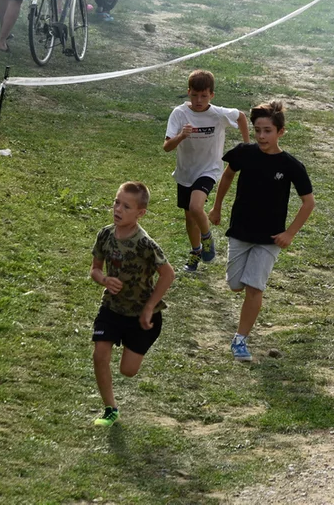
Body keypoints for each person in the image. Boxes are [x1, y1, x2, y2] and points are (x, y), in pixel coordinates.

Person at [208, 102, 315, 362]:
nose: (261, 136)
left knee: (255, 288)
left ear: (281, 132)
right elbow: (227, 175)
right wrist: (217, 206)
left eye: (267, 131)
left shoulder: (291, 166)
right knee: (235, 285)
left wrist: (290, 233)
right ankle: (242, 314)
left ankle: (240, 339)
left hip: (270, 238)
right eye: (257, 130)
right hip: (241, 231)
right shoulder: (244, 153)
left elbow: (308, 202)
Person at [89, 182, 175, 426]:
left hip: (141, 316)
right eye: (117, 202)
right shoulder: (105, 234)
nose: (118, 209)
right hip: (112, 307)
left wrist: (149, 307)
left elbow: (168, 274)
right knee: (100, 355)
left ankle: (136, 341)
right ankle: (110, 409)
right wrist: (104, 279)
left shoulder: (144, 243)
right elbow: (94, 269)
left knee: (128, 370)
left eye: (126, 206)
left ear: (140, 213)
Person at [163, 69, 250, 274]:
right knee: (189, 217)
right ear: (188, 92)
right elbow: (167, 147)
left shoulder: (217, 114)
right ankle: (195, 252)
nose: (199, 100)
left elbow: (241, 117)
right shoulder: (179, 113)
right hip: (186, 172)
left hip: (209, 170)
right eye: (194, 95)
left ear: (212, 95)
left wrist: (247, 146)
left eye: (204, 96)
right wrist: (181, 136)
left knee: (196, 207)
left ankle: (207, 238)